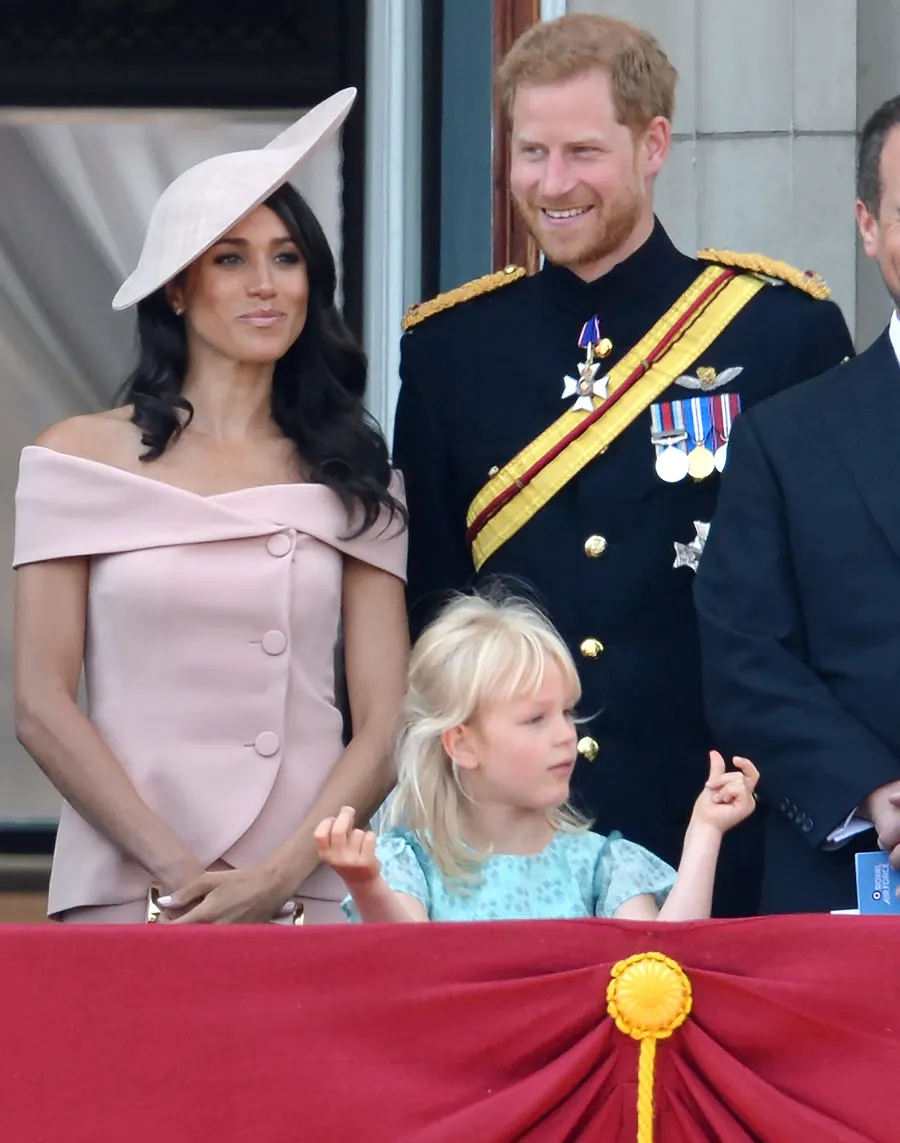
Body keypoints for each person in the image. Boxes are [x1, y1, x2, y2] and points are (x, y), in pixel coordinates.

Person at [391, 13, 853, 916]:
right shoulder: (450, 350)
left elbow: (828, 603)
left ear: (653, 145)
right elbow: (434, 607)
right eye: (531, 152)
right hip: (513, 852)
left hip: (724, 824)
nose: (551, 183)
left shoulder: (779, 331)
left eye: (582, 152)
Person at [12, 89, 409, 924]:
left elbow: (383, 724)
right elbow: (41, 704)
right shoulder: (77, 456)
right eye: (230, 258)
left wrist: (276, 877)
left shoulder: (355, 471)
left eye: (287, 257)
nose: (266, 285)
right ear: (178, 291)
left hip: (299, 891)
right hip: (129, 888)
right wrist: (175, 875)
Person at [694, 95, 900, 914]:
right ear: (868, 225)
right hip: (852, 885)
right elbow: (743, 658)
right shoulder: (788, 438)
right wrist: (879, 793)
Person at [314, 594, 758, 923]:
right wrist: (368, 886)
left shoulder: (601, 864)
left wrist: (705, 831)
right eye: (535, 720)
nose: (567, 735)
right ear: (462, 744)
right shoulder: (408, 863)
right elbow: (412, 971)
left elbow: (664, 969)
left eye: (566, 712)